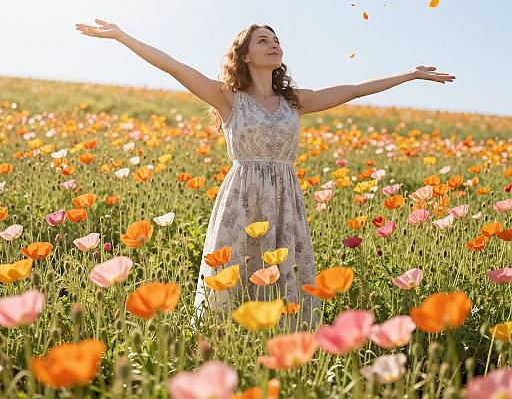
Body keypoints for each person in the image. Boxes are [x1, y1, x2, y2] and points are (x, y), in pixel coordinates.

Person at [75, 19, 456, 332]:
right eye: (263, 40)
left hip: (285, 200)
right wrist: (122, 37)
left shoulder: (295, 101)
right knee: (235, 275)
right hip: (242, 195)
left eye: (276, 40)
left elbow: (353, 90)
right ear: (245, 55)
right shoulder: (227, 98)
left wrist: (408, 75)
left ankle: (286, 344)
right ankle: (225, 344)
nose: (274, 45)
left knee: (284, 278)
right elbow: (174, 66)